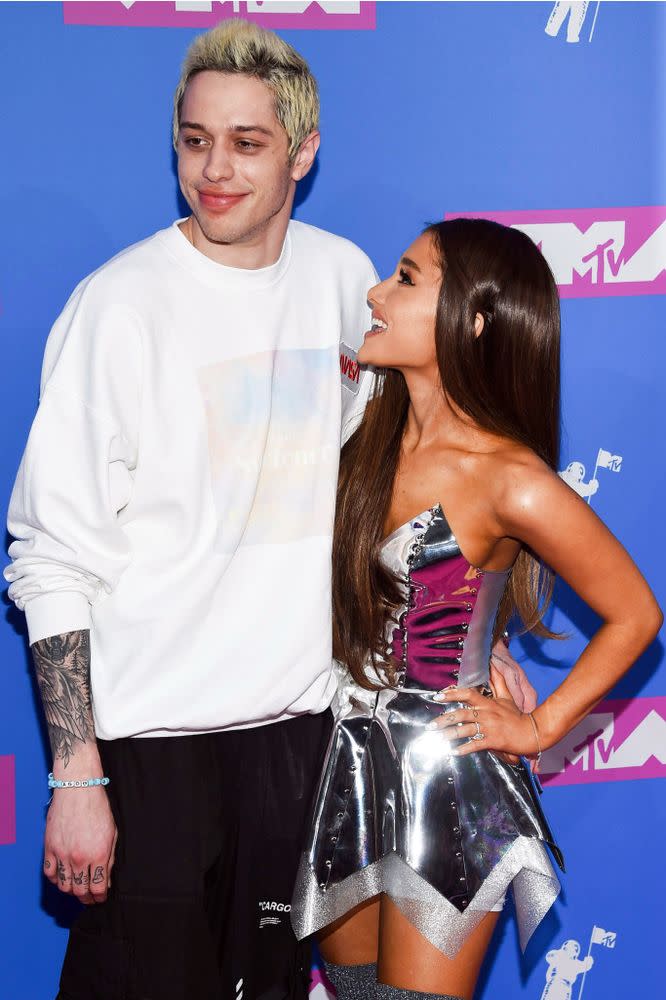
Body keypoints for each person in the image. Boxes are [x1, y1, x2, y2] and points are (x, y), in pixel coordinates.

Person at [5, 20, 533, 1000]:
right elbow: (48, 552)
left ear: (302, 151)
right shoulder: (118, 306)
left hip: (307, 737)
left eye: (247, 143)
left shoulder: (346, 281)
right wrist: (76, 774)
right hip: (155, 747)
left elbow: (393, 481)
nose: (215, 169)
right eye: (195, 138)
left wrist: (469, 624)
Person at [290, 218, 662, 1000]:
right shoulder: (365, 428)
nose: (374, 293)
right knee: (355, 993)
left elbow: (636, 612)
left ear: (473, 317)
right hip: (346, 761)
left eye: (405, 278)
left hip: (450, 782)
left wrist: (538, 728)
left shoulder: (508, 479)